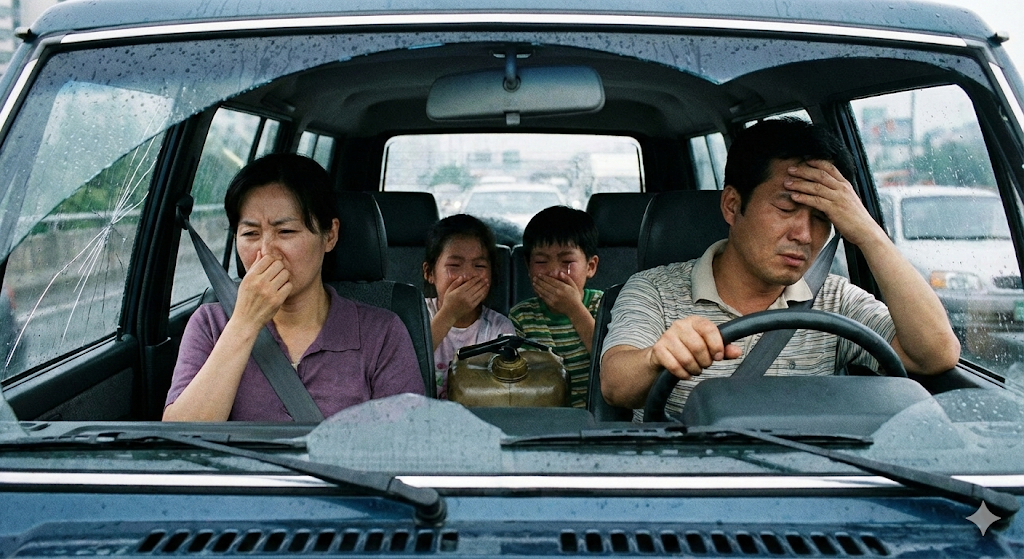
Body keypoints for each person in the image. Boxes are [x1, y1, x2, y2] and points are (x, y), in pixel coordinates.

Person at [601, 118, 960, 419]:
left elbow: (934, 354)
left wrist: (869, 234)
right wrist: (657, 357)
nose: (804, 235)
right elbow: (616, 385)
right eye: (786, 209)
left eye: (822, 217)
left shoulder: (835, 300)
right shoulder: (654, 289)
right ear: (732, 206)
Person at [164, 154, 423, 421]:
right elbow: (179, 436)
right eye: (250, 234)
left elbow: (405, 441)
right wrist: (243, 323)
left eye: (286, 231)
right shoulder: (210, 323)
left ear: (330, 235)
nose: (266, 252)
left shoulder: (381, 333)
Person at [509, 206, 602, 408]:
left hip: (596, 416)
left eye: (567, 261)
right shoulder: (521, 317)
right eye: (541, 261)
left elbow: (612, 362)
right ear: (528, 267)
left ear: (590, 267)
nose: (554, 272)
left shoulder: (603, 306)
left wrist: (574, 309)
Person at [423, 214, 515, 398]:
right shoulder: (416, 315)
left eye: (479, 266)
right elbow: (404, 365)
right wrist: (449, 314)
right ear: (429, 273)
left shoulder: (499, 329)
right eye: (454, 265)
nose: (466, 275)